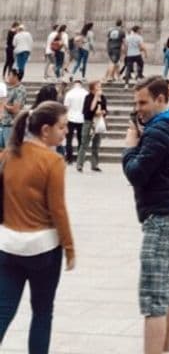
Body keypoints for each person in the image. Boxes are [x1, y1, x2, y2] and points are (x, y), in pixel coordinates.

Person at [122, 77, 169, 354]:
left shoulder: (159, 131)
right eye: (135, 103)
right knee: (166, 290)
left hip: (163, 214)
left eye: (143, 102)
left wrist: (130, 147)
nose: (138, 108)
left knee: (154, 295)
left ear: (161, 99)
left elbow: (137, 173)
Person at [0, 101, 75, 354]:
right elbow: (58, 209)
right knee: (42, 312)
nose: (65, 131)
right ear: (45, 130)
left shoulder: (8, 155)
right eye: (62, 127)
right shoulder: (52, 161)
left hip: (8, 245)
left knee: (3, 309)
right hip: (43, 248)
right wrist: (70, 247)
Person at [76, 79, 107, 172]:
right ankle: (80, 164)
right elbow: (89, 109)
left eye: (100, 85)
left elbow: (105, 109)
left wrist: (102, 112)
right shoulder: (88, 97)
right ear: (93, 88)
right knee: (84, 144)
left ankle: (95, 164)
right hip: (89, 122)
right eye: (98, 85)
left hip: (98, 122)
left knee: (96, 145)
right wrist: (96, 97)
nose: (100, 87)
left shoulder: (103, 97)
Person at [0, 69, 27, 150]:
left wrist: (4, 104)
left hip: (11, 125)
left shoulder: (20, 90)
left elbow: (15, 109)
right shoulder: (10, 88)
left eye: (10, 75)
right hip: (4, 123)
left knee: (9, 150)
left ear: (15, 77)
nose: (8, 77)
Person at [63, 75, 88, 164]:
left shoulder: (69, 93)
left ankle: (69, 158)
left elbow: (66, 108)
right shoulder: (85, 93)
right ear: (81, 83)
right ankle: (79, 158)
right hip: (81, 118)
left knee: (69, 139)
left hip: (70, 118)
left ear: (74, 83)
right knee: (80, 139)